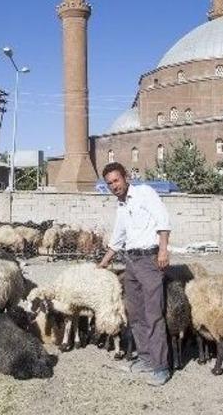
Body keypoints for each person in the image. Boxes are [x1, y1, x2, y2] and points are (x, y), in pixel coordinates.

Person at [97, 162, 171, 386]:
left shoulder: (145, 193)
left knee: (153, 314)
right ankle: (146, 359)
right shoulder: (120, 207)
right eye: (109, 183)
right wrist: (101, 265)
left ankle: (161, 367)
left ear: (126, 177)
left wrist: (163, 250)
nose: (113, 186)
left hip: (149, 260)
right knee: (136, 314)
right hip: (130, 262)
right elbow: (117, 240)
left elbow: (163, 220)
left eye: (116, 180)